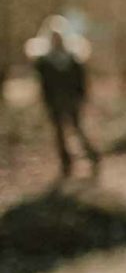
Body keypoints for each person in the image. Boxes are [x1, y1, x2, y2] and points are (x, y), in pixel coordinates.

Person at [24, 15, 100, 178]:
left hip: (72, 100)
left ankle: (93, 157)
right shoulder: (44, 62)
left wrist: (81, 97)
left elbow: (81, 81)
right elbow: (43, 84)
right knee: (59, 134)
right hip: (54, 102)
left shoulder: (72, 59)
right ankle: (66, 165)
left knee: (77, 129)